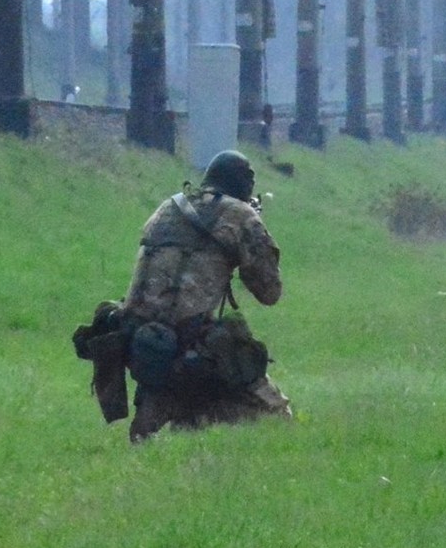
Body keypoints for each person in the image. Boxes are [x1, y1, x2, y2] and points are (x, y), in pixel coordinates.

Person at [74, 150, 291, 442]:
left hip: (136, 339)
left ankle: (172, 420)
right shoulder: (241, 215)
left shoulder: (168, 207)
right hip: (190, 347)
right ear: (246, 185)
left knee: (174, 423)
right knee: (278, 418)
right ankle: (190, 420)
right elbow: (269, 292)